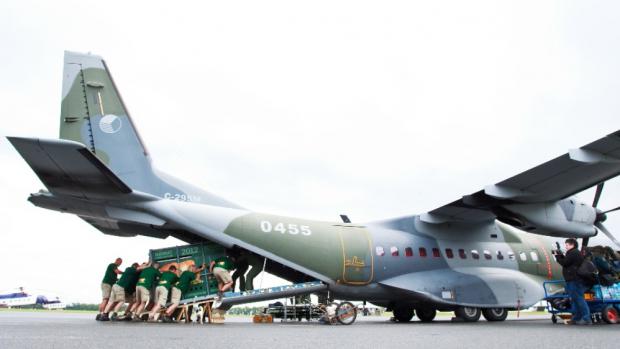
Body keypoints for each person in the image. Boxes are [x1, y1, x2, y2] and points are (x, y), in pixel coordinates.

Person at [553, 238, 592, 325]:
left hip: (574, 279)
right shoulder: (574, 253)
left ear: (572, 245)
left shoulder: (573, 253)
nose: (566, 246)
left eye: (567, 245)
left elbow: (565, 263)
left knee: (578, 298)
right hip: (573, 279)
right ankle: (576, 318)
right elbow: (567, 261)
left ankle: (586, 318)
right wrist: (561, 255)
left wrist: (557, 256)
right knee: (575, 299)